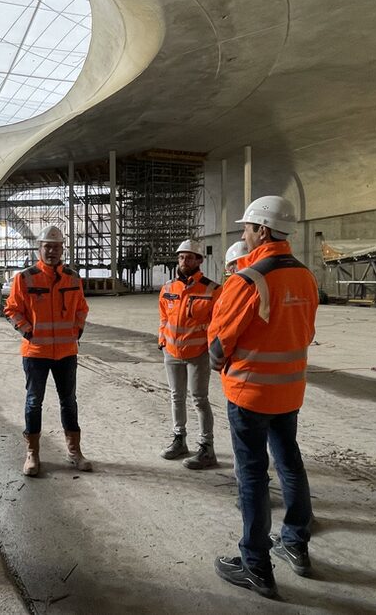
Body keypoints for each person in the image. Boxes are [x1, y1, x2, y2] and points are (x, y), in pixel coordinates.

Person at [208, 195, 319, 599]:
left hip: (250, 392)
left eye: (248, 228)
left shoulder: (248, 279)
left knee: (252, 475)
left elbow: (219, 341)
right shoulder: (305, 276)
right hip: (289, 390)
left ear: (264, 231)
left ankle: (256, 565)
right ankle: (295, 544)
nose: (244, 234)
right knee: (290, 462)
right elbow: (306, 333)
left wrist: (221, 361)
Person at [4, 224, 90, 476]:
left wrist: (77, 330)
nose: (52, 251)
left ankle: (75, 452)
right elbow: (11, 308)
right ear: (39, 248)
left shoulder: (73, 278)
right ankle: (32, 454)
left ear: (63, 249)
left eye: (56, 247)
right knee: (34, 402)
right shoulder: (25, 277)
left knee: (69, 402)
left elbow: (82, 308)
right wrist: (27, 331)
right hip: (36, 353)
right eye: (47, 246)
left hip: (66, 352)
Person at [157, 240, 221, 469]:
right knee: (176, 396)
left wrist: (212, 349)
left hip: (198, 353)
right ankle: (179, 439)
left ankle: (207, 447)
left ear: (200, 260)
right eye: (182, 257)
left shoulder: (212, 289)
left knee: (200, 399)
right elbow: (164, 316)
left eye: (190, 257)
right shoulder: (168, 288)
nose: (185, 261)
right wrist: (162, 340)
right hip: (172, 352)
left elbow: (219, 323)